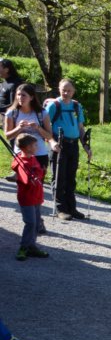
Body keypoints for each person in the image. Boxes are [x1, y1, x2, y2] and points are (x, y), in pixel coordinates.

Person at [5, 84, 54, 234]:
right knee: (25, 188)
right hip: (21, 157)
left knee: (37, 188)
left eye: (24, 95)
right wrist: (19, 128)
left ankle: (37, 221)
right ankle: (32, 221)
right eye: (18, 95)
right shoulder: (11, 113)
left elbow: (49, 135)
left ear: (32, 97)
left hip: (39, 155)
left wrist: (38, 128)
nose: (20, 98)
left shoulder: (42, 113)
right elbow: (7, 136)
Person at [46, 78, 91, 220]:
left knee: (71, 178)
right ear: (59, 89)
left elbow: (80, 128)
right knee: (59, 177)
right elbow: (45, 127)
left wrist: (86, 146)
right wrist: (51, 142)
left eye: (69, 90)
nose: (66, 93)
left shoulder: (77, 106)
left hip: (73, 145)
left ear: (73, 91)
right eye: (63, 90)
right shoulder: (54, 105)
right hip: (59, 144)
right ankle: (60, 209)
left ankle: (72, 208)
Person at [12, 134, 48, 261]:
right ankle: (23, 247)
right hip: (26, 198)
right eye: (35, 145)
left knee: (37, 223)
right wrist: (32, 175)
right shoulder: (20, 162)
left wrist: (41, 172)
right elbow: (25, 179)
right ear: (27, 148)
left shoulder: (33, 159)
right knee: (30, 223)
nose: (37, 147)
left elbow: (38, 174)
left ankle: (31, 246)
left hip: (36, 196)